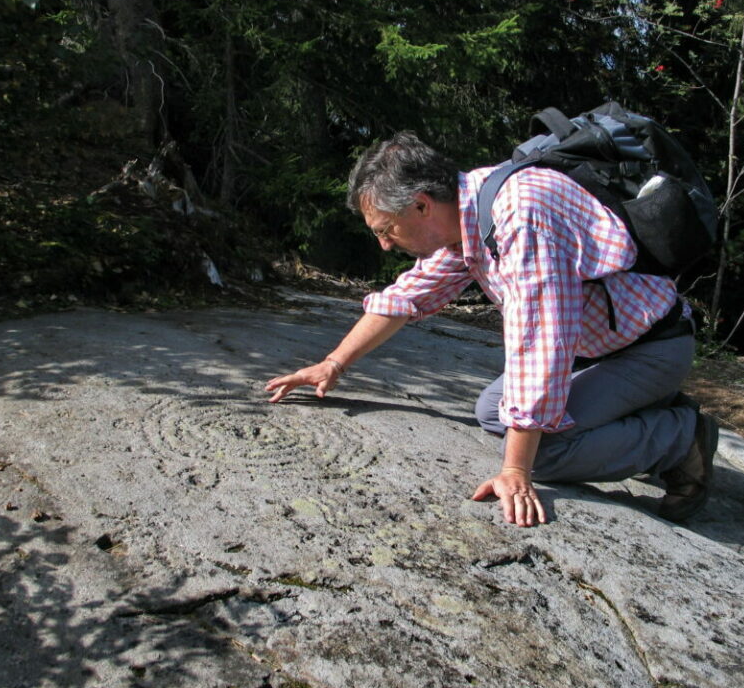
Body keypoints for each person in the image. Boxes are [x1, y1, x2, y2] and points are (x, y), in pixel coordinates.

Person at [265, 132, 719, 527]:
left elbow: (541, 343)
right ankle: (638, 409)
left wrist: (516, 472)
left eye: (387, 229)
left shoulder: (521, 215)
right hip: (598, 349)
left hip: (648, 349)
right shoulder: (470, 212)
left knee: (543, 454)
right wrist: (333, 364)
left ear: (421, 205)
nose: (384, 244)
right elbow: (407, 296)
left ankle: (681, 440)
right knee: (493, 411)